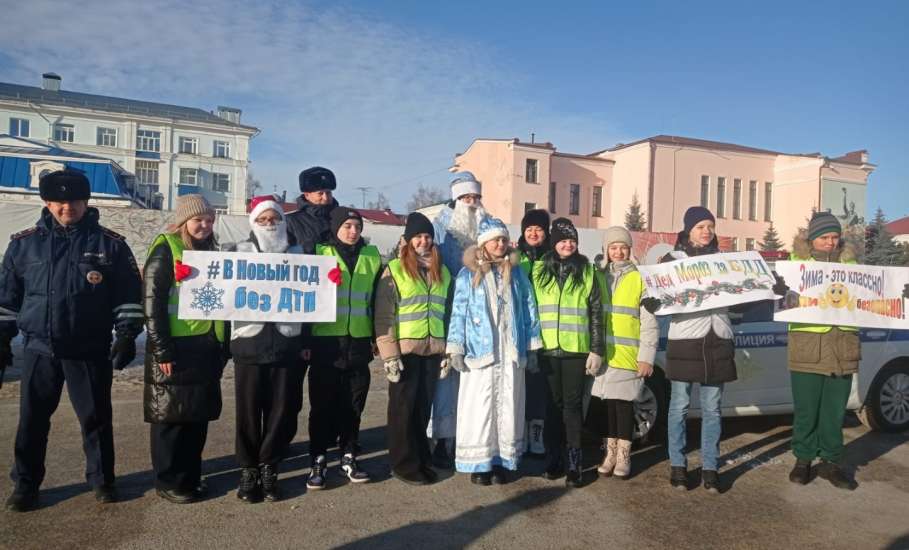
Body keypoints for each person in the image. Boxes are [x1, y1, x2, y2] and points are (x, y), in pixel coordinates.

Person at [0, 169, 143, 511]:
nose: (68, 208)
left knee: (95, 419)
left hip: (88, 348)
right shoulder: (23, 244)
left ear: (86, 202)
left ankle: (102, 480)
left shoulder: (111, 244)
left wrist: (126, 334)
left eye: (75, 201)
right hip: (39, 348)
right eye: (60, 202)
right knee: (32, 421)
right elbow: (7, 299)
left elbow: (128, 295)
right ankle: (26, 484)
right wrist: (2, 341)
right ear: (47, 203)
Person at [642, 206, 735, 494]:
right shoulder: (672, 261)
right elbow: (654, 292)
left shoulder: (724, 261)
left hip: (717, 339)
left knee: (712, 409)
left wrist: (770, 290)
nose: (706, 231)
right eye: (700, 227)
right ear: (688, 230)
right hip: (685, 340)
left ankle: (710, 467)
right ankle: (678, 466)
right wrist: (653, 302)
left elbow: (742, 296)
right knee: (679, 407)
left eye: (710, 226)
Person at [143, 194, 228, 504]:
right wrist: (162, 350)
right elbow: (152, 305)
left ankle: (190, 476)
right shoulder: (166, 249)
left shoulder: (212, 252)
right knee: (171, 420)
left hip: (204, 346)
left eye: (208, 220)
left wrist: (222, 345)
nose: (204, 225)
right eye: (197, 220)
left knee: (196, 418)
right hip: (174, 350)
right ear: (183, 222)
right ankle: (168, 480)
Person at [447, 218, 542, 485]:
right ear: (484, 243)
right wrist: (456, 346)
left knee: (508, 405)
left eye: (503, 240)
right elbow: (459, 312)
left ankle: (501, 460)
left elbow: (528, 308)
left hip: (509, 351)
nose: (500, 245)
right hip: (481, 352)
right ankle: (481, 463)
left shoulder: (517, 273)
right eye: (494, 240)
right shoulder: (467, 275)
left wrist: (531, 345)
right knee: (481, 408)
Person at [228, 195, 305, 503]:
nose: (269, 223)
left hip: (287, 343)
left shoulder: (300, 254)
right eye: (263, 219)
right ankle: (248, 471)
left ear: (283, 222)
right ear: (253, 223)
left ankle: (269, 466)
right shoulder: (238, 252)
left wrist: (329, 280)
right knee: (247, 412)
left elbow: (314, 299)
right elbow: (221, 294)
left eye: (274, 218)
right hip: (249, 342)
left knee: (281, 410)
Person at [375, 213, 452, 485]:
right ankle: (404, 464)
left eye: (428, 236)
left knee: (422, 409)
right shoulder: (395, 269)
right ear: (408, 240)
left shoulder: (441, 271)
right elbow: (384, 316)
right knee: (402, 410)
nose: (423, 241)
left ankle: (422, 458)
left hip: (432, 351)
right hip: (405, 352)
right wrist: (390, 356)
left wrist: (447, 352)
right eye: (418, 236)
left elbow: (447, 314)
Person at [307, 207, 382, 489]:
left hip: (359, 343)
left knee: (353, 405)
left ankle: (349, 455)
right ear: (336, 227)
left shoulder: (372, 257)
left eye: (357, 226)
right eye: (347, 226)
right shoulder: (319, 254)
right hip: (326, 344)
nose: (353, 232)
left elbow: (377, 300)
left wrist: (377, 338)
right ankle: (317, 459)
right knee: (322, 407)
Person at [786, 211, 860, 490]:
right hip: (807, 345)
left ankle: (831, 462)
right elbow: (782, 297)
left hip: (842, 345)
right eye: (824, 237)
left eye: (834, 237)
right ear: (812, 238)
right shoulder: (796, 265)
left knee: (834, 410)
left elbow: (868, 297)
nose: (830, 242)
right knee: (806, 409)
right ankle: (803, 460)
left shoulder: (852, 265)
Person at [531, 218, 604, 488]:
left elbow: (596, 312)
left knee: (573, 408)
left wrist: (596, 349)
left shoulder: (587, 271)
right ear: (553, 243)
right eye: (562, 240)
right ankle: (553, 458)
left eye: (572, 240)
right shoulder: (539, 271)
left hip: (575, 350)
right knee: (552, 406)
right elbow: (531, 310)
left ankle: (575, 462)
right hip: (548, 350)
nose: (568, 244)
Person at [428, 171, 491, 467]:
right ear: (456, 200)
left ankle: (468, 437)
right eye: (467, 198)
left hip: (479, 319)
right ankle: (441, 438)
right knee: (445, 379)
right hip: (446, 314)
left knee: (472, 379)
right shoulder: (441, 229)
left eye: (476, 197)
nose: (472, 202)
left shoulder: (488, 226)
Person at [589, 226, 658, 479]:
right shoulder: (599, 276)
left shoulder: (639, 278)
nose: (618, 252)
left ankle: (624, 455)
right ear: (606, 250)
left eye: (623, 247)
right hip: (605, 354)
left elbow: (649, 321)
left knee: (624, 406)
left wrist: (646, 356)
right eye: (613, 247)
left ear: (630, 250)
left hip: (628, 353)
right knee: (607, 406)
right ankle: (610, 452)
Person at [517, 209, 551, 455]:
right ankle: (519, 432)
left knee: (540, 386)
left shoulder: (551, 257)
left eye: (538, 228)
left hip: (547, 331)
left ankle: (537, 433)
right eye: (529, 229)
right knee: (520, 385)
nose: (533, 233)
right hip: (520, 330)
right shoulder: (514, 257)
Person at [285, 166, 338, 253]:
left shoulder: (341, 218)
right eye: (320, 193)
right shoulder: (290, 222)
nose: (325, 197)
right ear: (307, 195)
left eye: (328, 192)